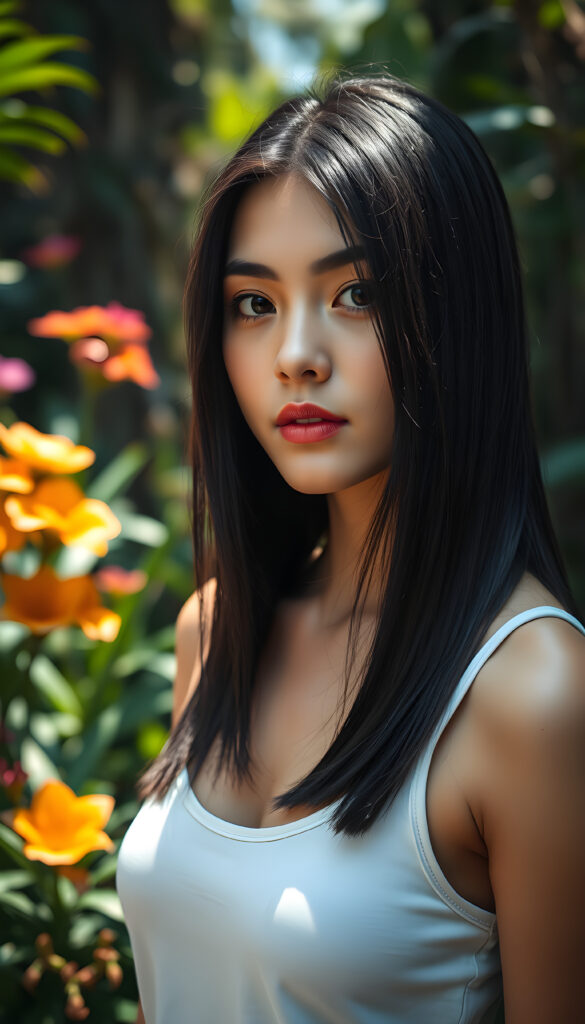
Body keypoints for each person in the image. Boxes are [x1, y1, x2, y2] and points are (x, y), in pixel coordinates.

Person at [115, 71, 585, 1024]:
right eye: (254, 304)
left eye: (356, 292)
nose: (295, 352)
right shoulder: (214, 633)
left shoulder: (532, 694)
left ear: (459, 314)